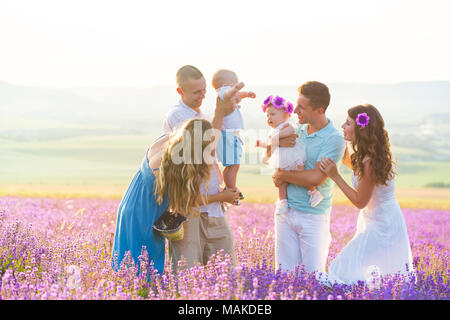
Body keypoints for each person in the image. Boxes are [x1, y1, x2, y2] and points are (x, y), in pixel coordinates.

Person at [319, 104, 414, 286]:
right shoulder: (369, 155)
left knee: (345, 270)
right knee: (374, 276)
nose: (342, 126)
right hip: (381, 219)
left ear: (360, 128)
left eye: (347, 123)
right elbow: (355, 170)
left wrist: (335, 176)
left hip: (382, 224)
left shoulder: (368, 161)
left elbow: (360, 201)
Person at [112, 119, 219, 275]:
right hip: (145, 215)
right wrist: (222, 196)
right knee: (145, 270)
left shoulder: (167, 141)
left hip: (128, 206)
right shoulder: (178, 163)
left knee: (127, 265)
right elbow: (185, 204)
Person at [162, 65, 242, 271]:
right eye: (197, 92)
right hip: (190, 214)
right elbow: (205, 148)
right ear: (180, 91)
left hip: (213, 209)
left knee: (227, 272)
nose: (202, 95)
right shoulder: (178, 116)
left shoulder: (202, 114)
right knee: (187, 275)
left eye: (204, 90)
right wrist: (219, 113)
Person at [270, 81, 346, 273]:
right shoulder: (297, 131)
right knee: (284, 276)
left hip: (313, 216)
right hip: (286, 213)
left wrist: (282, 175)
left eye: (302, 107)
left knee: (313, 277)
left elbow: (315, 178)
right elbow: (277, 154)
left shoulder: (334, 139)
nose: (295, 110)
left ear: (319, 110)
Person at [256, 94, 324, 216]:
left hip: (293, 156)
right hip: (281, 159)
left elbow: (289, 132)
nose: (269, 118)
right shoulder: (273, 131)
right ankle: (283, 202)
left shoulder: (287, 125)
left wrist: (276, 138)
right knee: (281, 181)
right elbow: (270, 146)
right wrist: (262, 144)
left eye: (272, 114)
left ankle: (313, 192)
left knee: (301, 174)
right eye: (267, 115)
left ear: (286, 115)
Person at [211, 69, 256, 204]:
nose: (236, 87)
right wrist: (236, 89)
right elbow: (229, 94)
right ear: (226, 83)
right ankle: (230, 189)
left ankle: (230, 187)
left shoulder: (229, 93)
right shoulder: (224, 92)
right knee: (233, 165)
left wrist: (245, 94)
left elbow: (235, 95)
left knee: (233, 165)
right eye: (234, 83)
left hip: (230, 135)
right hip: (227, 135)